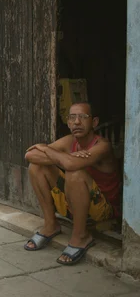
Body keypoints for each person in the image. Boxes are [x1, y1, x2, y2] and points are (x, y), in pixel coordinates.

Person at [24, 102, 121, 265]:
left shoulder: (102, 146)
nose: (77, 122)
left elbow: (70, 166)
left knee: (75, 173)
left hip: (103, 209)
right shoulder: (70, 141)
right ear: (68, 123)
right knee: (37, 167)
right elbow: (30, 155)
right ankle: (50, 225)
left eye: (83, 117)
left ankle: (80, 235)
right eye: (72, 118)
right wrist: (65, 157)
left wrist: (47, 149)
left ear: (94, 122)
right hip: (74, 202)